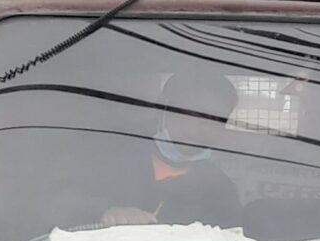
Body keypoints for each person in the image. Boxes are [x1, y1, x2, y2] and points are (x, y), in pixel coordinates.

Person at [102, 68, 244, 229]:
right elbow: (72, 205)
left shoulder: (220, 188)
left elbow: (233, 238)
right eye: (194, 113)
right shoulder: (111, 161)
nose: (204, 127)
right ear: (164, 109)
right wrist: (107, 213)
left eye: (218, 119)